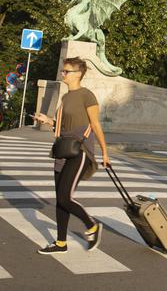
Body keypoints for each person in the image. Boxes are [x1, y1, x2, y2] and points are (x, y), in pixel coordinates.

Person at [34, 57, 110, 254]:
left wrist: (104, 152)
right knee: (61, 199)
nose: (63, 74)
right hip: (63, 150)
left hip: (80, 150)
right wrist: (48, 121)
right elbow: (63, 127)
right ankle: (61, 243)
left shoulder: (87, 95)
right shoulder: (66, 97)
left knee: (65, 197)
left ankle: (92, 225)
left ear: (78, 74)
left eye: (66, 71)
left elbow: (95, 125)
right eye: (63, 71)